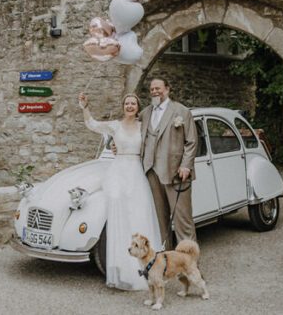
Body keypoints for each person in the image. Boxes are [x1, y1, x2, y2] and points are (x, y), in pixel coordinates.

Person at [78, 91, 163, 291]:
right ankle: (120, 268)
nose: (130, 106)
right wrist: (85, 107)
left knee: (138, 216)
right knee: (119, 218)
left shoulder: (144, 127)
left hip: (136, 172)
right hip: (118, 173)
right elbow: (92, 124)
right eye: (127, 103)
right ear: (123, 106)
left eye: (133, 103)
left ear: (138, 107)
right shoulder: (115, 126)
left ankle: (145, 269)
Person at [140, 77, 196, 249]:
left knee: (182, 220)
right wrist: (115, 145)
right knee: (159, 220)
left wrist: (186, 165)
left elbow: (191, 141)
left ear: (167, 89)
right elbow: (131, 131)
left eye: (158, 88)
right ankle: (166, 260)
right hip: (151, 172)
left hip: (175, 172)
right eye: (152, 89)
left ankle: (190, 264)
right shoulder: (145, 113)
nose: (155, 92)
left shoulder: (181, 111)